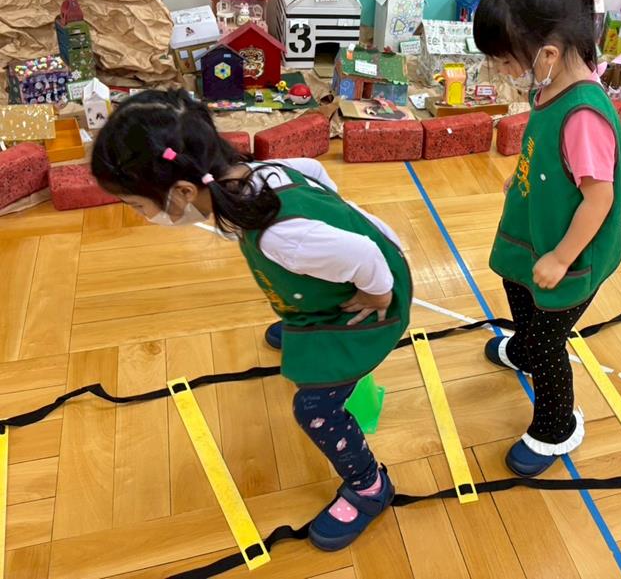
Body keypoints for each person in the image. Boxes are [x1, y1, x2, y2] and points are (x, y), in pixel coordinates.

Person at [90, 90, 410, 551]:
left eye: (138, 206)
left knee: (314, 410)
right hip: (353, 273)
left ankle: (370, 486)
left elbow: (363, 253)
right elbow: (315, 171)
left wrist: (376, 293)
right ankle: (305, 330)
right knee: (305, 306)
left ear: (183, 192)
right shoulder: (253, 175)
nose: (141, 216)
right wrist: (332, 218)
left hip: (377, 305)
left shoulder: (281, 238)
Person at [473, 0, 621, 476]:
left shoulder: (583, 115)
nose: (502, 71)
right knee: (520, 287)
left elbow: (599, 198)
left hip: (571, 249)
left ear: (546, 53)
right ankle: (524, 345)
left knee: (549, 343)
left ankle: (556, 426)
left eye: (505, 62)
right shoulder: (552, 84)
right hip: (539, 226)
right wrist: (522, 175)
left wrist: (563, 258)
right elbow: (552, 155)